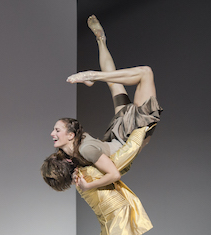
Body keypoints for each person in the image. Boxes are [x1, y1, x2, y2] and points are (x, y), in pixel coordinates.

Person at [41, 15, 162, 235]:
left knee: (139, 75)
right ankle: (101, 46)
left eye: (56, 131)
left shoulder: (82, 160)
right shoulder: (81, 157)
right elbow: (105, 170)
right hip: (120, 138)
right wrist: (78, 168)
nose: (53, 133)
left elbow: (105, 171)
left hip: (123, 138)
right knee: (124, 85)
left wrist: (85, 176)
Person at [48, 14, 161, 192]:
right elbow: (114, 175)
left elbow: (69, 167)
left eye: (56, 130)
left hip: (121, 132)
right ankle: (94, 70)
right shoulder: (83, 149)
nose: (52, 133)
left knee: (127, 80)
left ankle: (100, 43)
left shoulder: (75, 151)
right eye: (56, 130)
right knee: (139, 75)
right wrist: (88, 186)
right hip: (129, 134)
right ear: (70, 135)